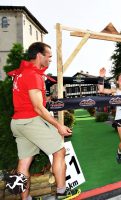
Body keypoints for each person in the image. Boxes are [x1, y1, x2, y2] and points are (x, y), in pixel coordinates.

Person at [8, 42, 80, 200]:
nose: (50, 60)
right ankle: (62, 192)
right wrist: (58, 125)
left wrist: (48, 97)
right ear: (39, 55)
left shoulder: (21, 73)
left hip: (18, 123)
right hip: (31, 121)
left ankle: (25, 199)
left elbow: (29, 99)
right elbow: (38, 108)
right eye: (49, 56)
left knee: (24, 163)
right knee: (59, 151)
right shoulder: (33, 75)